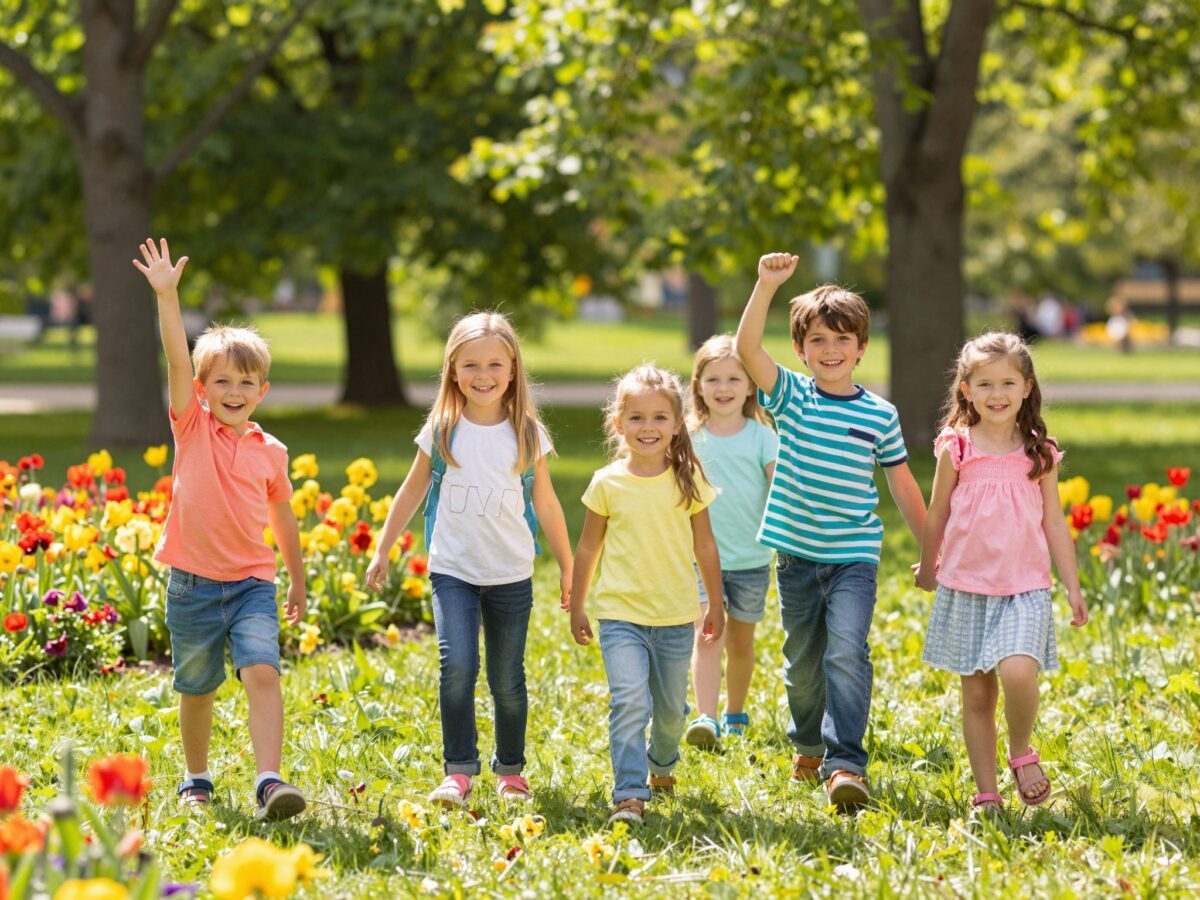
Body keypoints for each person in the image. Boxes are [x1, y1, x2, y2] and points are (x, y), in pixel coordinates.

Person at [735, 253, 927, 810]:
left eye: (842, 339)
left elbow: (902, 484)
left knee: (846, 651)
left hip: (854, 557)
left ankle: (846, 764)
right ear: (800, 349)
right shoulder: (791, 396)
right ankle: (808, 745)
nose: (830, 349)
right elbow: (747, 349)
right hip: (797, 556)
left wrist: (932, 551)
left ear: (861, 347)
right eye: (817, 340)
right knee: (802, 666)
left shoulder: (880, 415)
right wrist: (765, 285)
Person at [365, 312, 573, 808]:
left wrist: (569, 567)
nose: (484, 375)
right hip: (453, 571)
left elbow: (546, 503)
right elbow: (411, 490)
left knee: (507, 680)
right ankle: (458, 771)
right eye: (471, 365)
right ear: (453, 371)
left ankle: (511, 771)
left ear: (513, 369)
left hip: (510, 573)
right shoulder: (442, 429)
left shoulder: (526, 432)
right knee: (456, 666)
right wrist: (383, 547)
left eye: (495, 364)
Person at [132, 239, 307, 820]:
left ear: (263, 391)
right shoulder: (192, 428)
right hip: (193, 585)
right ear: (203, 390)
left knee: (263, 672)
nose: (235, 393)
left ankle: (269, 782)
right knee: (197, 688)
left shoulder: (271, 451)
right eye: (223, 382)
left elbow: (283, 517)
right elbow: (177, 362)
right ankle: (197, 778)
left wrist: (297, 580)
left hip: (252, 583)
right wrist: (167, 296)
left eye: (247, 383)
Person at [915, 332, 1087, 814]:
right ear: (966, 390)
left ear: (1027, 387)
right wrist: (928, 566)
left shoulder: (1039, 452)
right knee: (976, 696)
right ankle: (987, 791)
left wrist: (1073, 587)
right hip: (967, 585)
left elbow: (1054, 521)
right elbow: (937, 512)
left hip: (1024, 586)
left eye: (1008, 383)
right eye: (985, 384)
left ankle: (1020, 749)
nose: (997, 394)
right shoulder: (957, 448)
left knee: (1018, 670)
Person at [569, 365, 725, 826]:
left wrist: (715, 604)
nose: (648, 427)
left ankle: (661, 763)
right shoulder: (607, 482)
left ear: (677, 424)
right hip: (621, 615)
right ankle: (629, 793)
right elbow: (588, 547)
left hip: (676, 616)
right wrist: (577, 604)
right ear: (619, 424)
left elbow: (705, 546)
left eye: (659, 417)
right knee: (630, 702)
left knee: (671, 713)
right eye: (636, 417)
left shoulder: (687, 479)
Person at [684, 335, 778, 749]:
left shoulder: (762, 436)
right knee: (707, 636)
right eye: (713, 379)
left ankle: (734, 713)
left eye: (734, 379)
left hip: (752, 560)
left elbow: (779, 488)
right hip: (701, 560)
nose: (723, 388)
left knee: (741, 641)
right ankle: (706, 717)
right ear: (698, 386)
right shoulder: (687, 438)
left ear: (751, 385)